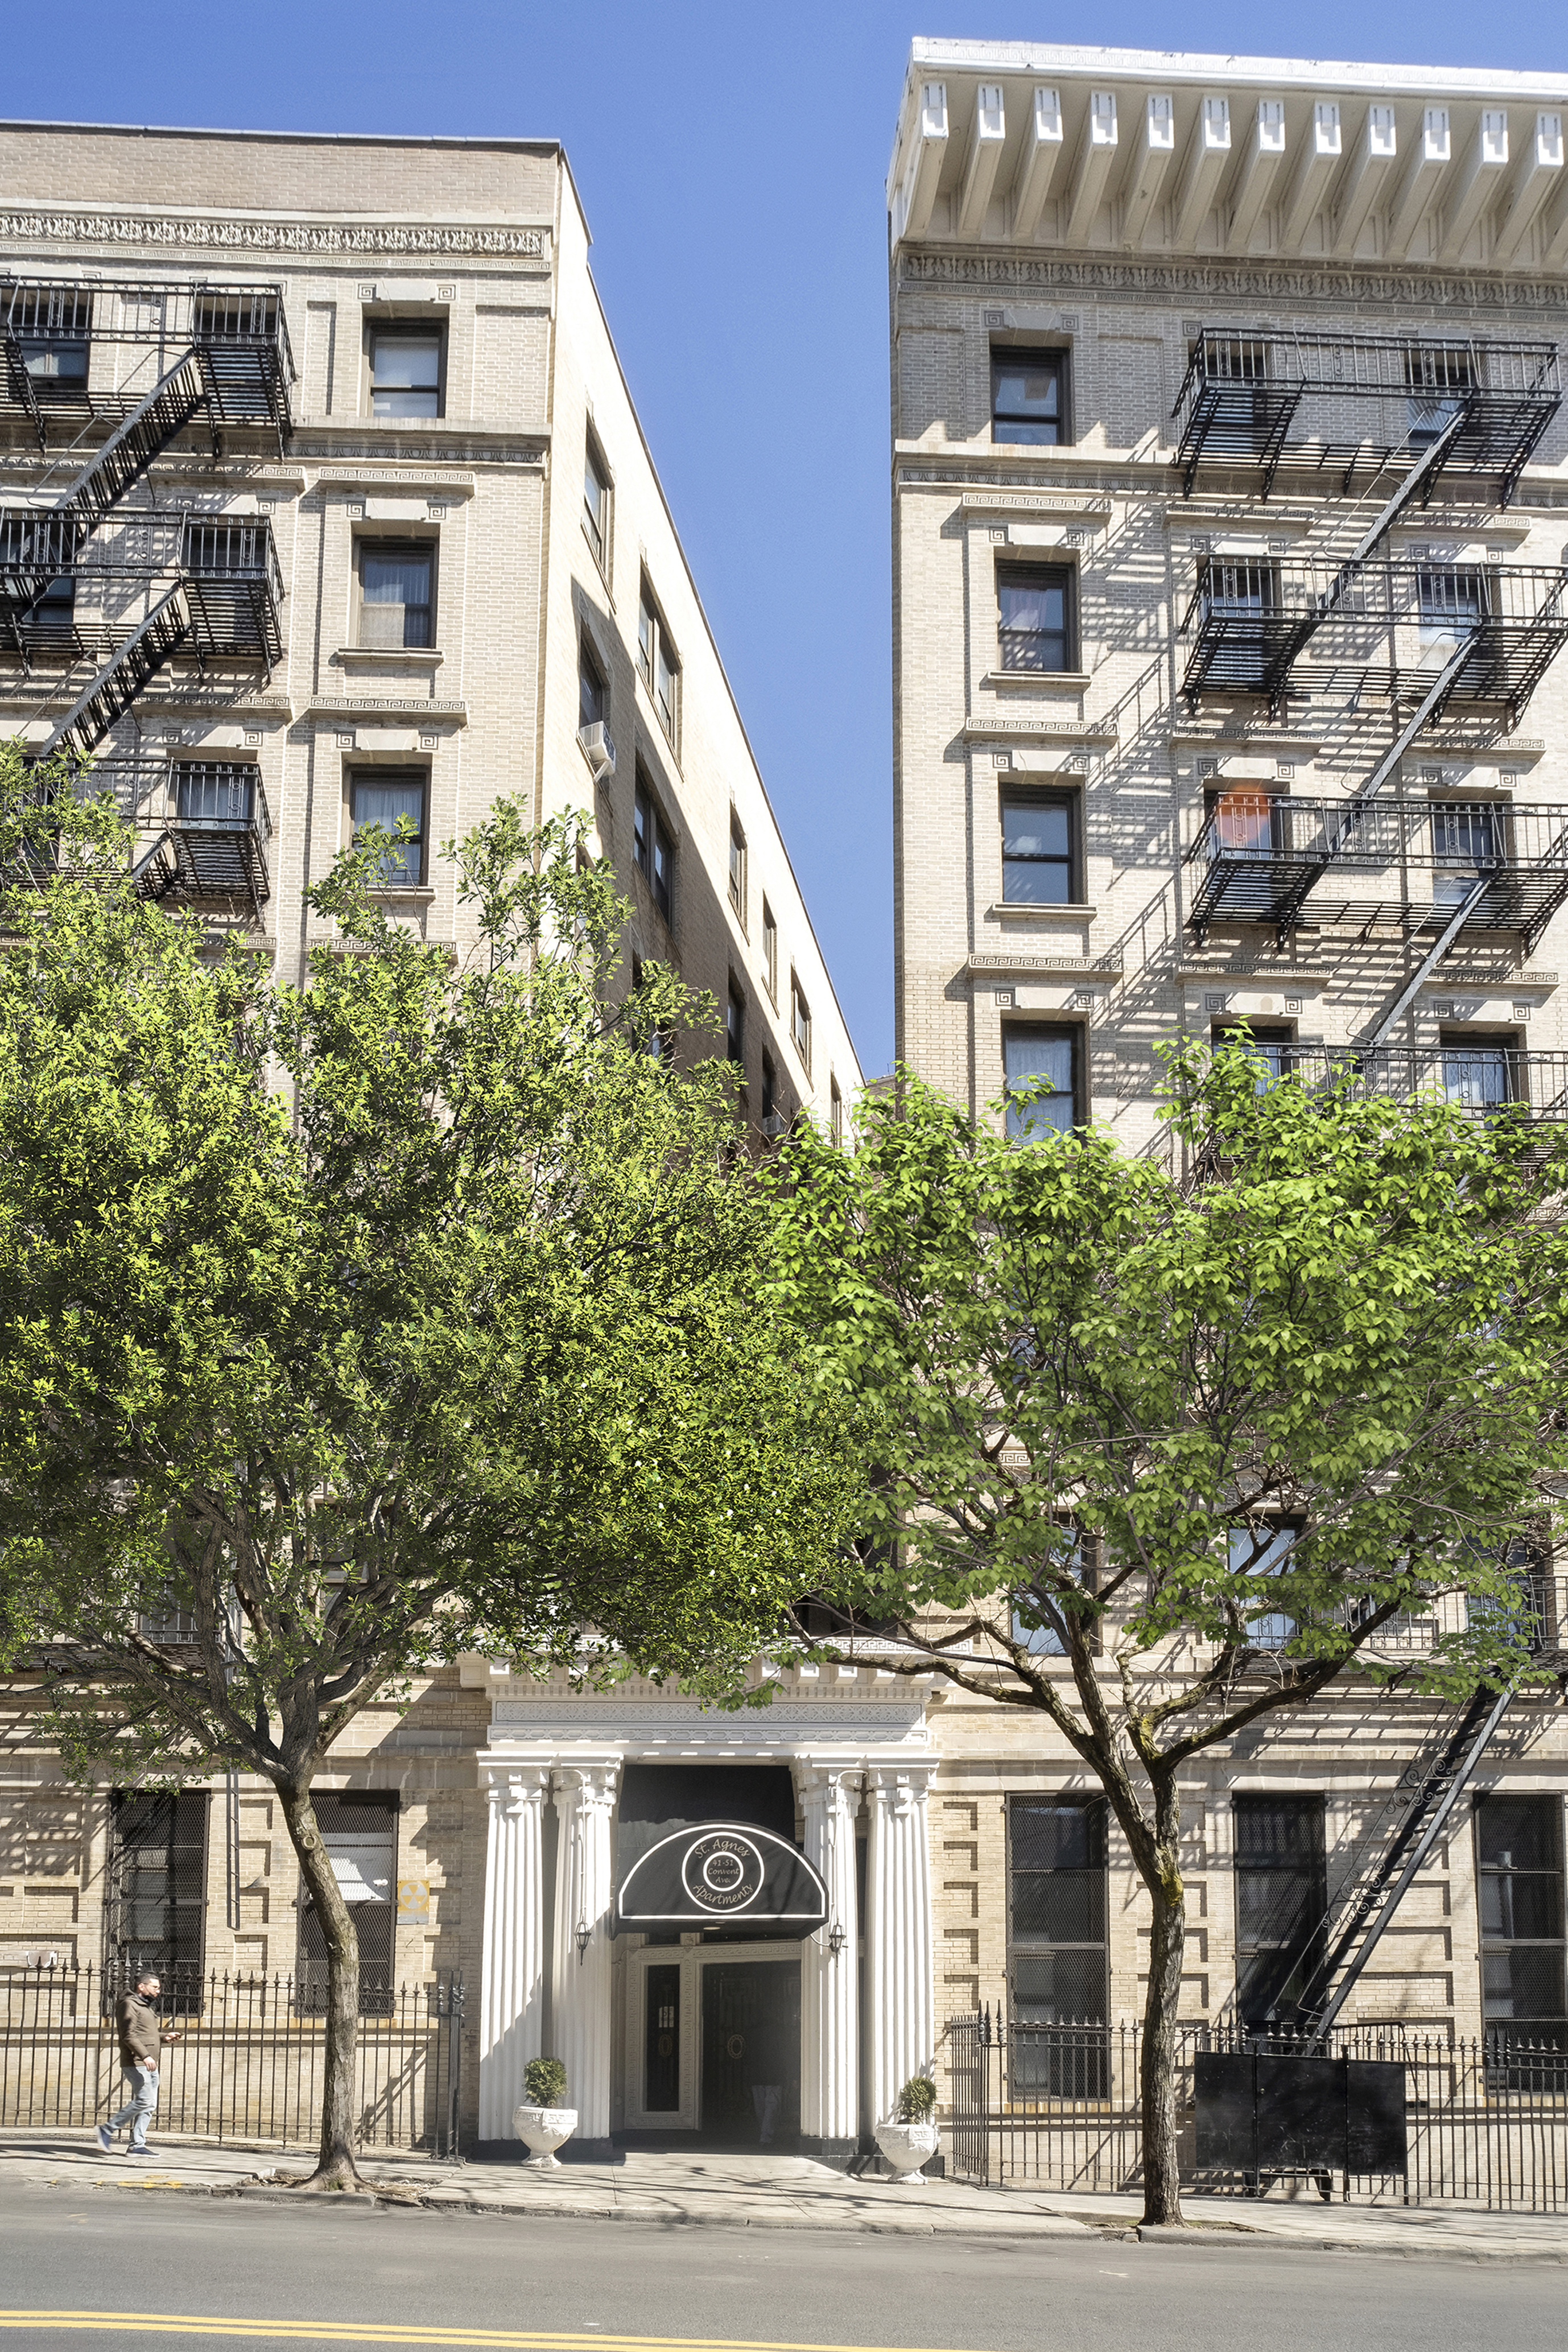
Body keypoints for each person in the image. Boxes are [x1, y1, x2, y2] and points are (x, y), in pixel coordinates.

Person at [97, 1969, 181, 2159]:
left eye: (159, 1988)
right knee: (144, 2100)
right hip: (136, 2062)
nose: (158, 1991)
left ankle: (137, 2145)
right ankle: (107, 2129)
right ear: (141, 1986)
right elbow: (128, 2035)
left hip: (149, 2063)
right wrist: (145, 2055)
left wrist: (164, 2037)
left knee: (149, 2105)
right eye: (155, 1987)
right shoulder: (129, 2004)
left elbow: (146, 2034)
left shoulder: (145, 2006)